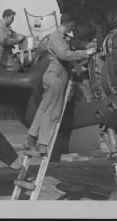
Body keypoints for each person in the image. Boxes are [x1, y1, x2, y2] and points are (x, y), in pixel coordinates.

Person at [26, 13, 96, 155]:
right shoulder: (56, 37)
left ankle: (31, 139)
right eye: (72, 24)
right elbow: (64, 54)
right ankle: (42, 145)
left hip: (57, 76)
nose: (73, 27)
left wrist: (88, 45)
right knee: (53, 111)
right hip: (55, 77)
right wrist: (86, 53)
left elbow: (74, 44)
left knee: (44, 109)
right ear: (68, 23)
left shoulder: (64, 38)